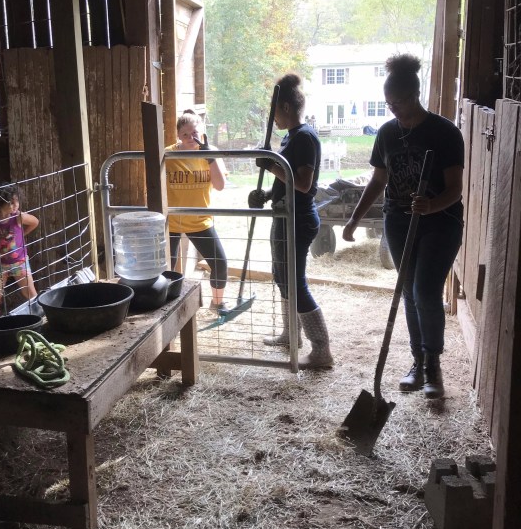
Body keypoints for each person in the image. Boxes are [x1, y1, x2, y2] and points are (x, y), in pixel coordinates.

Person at [342, 54, 464, 399]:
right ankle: (417, 362)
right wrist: (354, 219)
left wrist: (431, 205)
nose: (393, 109)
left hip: (441, 222)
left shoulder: (444, 132)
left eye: (398, 102)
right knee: (408, 291)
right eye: (388, 103)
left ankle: (433, 365)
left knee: (425, 290)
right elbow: (378, 180)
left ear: (415, 95)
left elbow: (455, 188)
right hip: (397, 220)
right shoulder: (387, 134)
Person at [248, 74, 333, 368]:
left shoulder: (305, 137)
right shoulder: (291, 137)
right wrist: (266, 194)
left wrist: (271, 164)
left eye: (274, 111)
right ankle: (290, 335)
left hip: (298, 218)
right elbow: (287, 183)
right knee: (282, 276)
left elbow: (305, 184)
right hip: (284, 214)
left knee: (295, 282)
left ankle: (321, 350)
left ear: (285, 106)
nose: (272, 118)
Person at [165, 110, 229, 312]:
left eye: (194, 133)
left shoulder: (210, 152)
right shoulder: (167, 154)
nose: (190, 137)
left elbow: (220, 186)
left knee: (220, 263)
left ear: (202, 132)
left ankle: (217, 303)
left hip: (200, 220)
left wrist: (210, 158)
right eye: (185, 134)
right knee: (167, 267)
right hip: (171, 221)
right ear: (178, 135)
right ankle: (165, 306)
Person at [0, 183, 40, 314]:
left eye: (17, 201)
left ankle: (40, 313)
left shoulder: (18, 217)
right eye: (11, 202)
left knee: (30, 293)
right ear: (0, 203)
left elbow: (35, 222)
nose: (16, 205)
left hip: (19, 262)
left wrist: (23, 234)